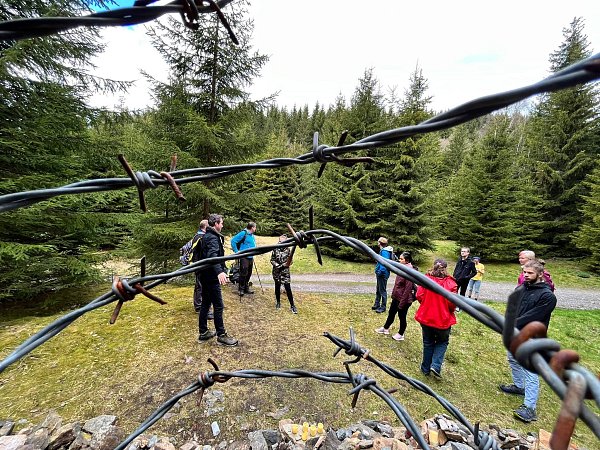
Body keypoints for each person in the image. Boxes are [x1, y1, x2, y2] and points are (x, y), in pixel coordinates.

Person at [499, 259, 557, 422]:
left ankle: (530, 408)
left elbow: (534, 317)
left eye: (529, 273)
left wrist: (510, 324)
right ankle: (519, 386)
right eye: (524, 272)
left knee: (530, 370)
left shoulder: (547, 296)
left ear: (540, 274)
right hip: (515, 332)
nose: (525, 275)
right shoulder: (522, 288)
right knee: (512, 358)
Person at [194, 214, 238, 347]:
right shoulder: (213, 238)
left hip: (205, 276)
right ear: (216, 224)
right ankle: (221, 335)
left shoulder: (207, 235)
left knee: (206, 304)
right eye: (221, 223)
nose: (222, 225)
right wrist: (219, 272)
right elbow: (212, 257)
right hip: (211, 277)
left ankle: (203, 332)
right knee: (218, 306)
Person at [415, 259, 458, 378]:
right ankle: (436, 365)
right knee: (442, 342)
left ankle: (425, 368)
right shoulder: (451, 283)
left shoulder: (426, 279)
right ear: (446, 268)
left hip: (426, 317)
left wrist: (426, 305)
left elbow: (419, 295)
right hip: (442, 320)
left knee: (428, 342)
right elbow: (452, 303)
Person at [375, 252, 417, 341]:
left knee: (402, 316)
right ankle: (385, 328)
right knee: (391, 313)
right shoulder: (402, 268)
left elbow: (408, 289)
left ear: (407, 260)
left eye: (401, 259)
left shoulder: (409, 271)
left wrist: (402, 302)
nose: (399, 260)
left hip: (404, 299)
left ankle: (401, 334)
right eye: (400, 258)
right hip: (397, 297)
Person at [270, 234, 297, 314]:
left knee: (288, 288)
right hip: (277, 271)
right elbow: (272, 260)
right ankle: (278, 302)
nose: (281, 242)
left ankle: (292, 305)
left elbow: (291, 260)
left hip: (285, 272)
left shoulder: (288, 249)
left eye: (283, 241)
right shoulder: (275, 249)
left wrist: (286, 264)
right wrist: (277, 265)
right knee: (277, 287)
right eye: (280, 241)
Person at [231, 221, 257, 296]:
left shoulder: (252, 235)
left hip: (251, 256)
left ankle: (246, 288)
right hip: (244, 256)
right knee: (243, 273)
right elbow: (233, 241)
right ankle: (241, 289)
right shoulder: (244, 233)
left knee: (249, 273)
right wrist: (237, 252)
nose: (255, 229)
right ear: (252, 227)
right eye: (255, 227)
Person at [372, 237, 394, 313]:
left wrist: (380, 271)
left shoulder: (384, 251)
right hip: (381, 273)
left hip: (382, 273)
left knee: (382, 290)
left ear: (379, 243)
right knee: (378, 289)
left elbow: (384, 263)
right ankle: (377, 304)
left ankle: (383, 307)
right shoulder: (384, 250)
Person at [192, 220, 210, 315]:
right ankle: (199, 306)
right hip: (199, 264)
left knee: (199, 284)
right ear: (205, 227)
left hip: (198, 263)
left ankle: (199, 304)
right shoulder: (200, 237)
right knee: (200, 285)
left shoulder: (197, 236)